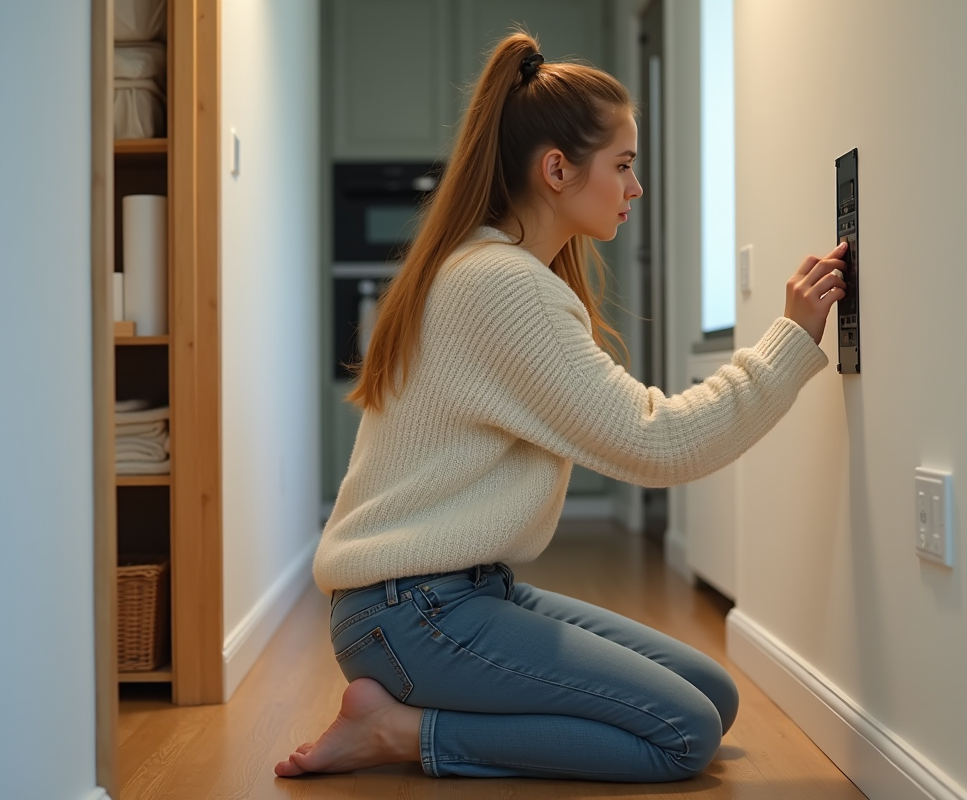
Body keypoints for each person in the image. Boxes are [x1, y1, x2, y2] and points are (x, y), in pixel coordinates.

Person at [276, 31, 846, 783]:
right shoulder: (503, 286)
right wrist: (789, 341)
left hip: (453, 593)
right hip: (412, 615)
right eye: (624, 165)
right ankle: (400, 731)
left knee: (712, 695)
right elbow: (659, 443)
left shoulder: (488, 268)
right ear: (556, 169)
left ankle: (413, 712)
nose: (635, 189)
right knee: (683, 733)